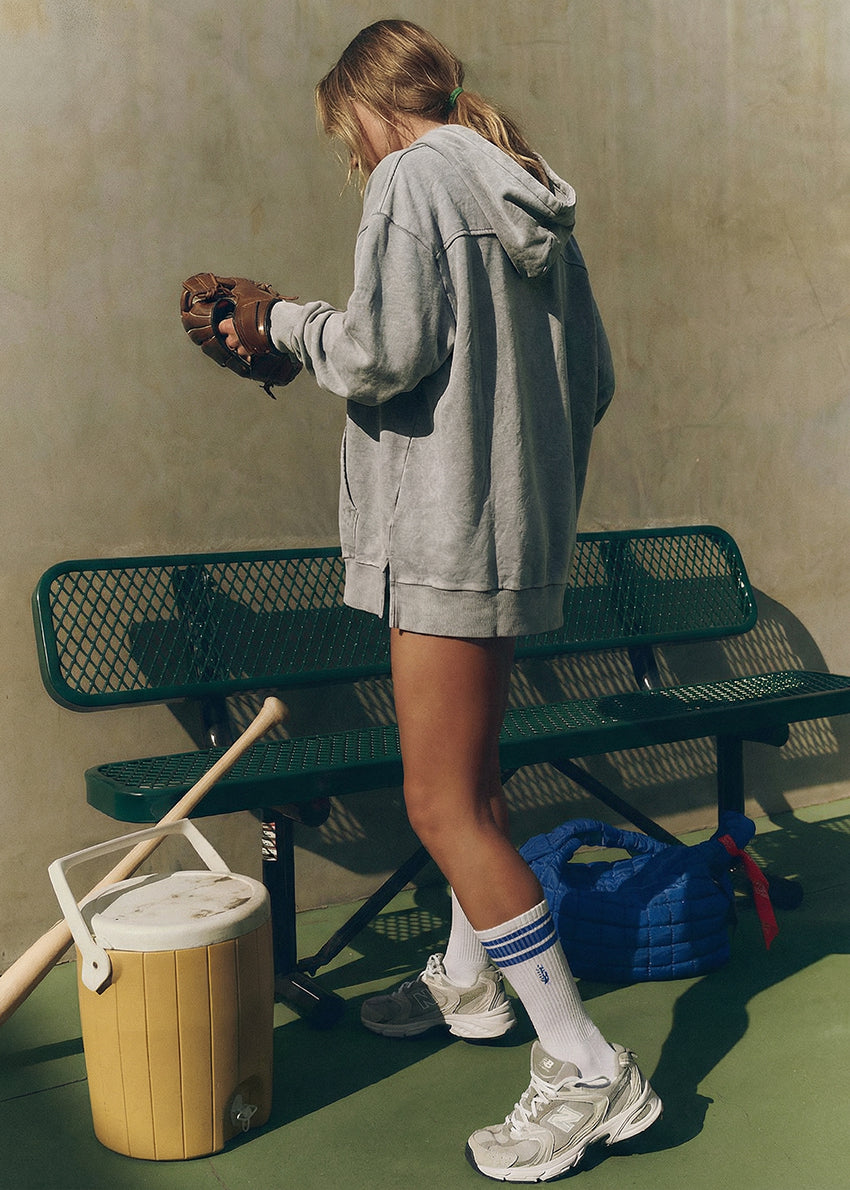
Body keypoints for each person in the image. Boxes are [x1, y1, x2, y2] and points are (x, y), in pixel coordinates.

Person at [219, 18, 661, 1182]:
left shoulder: (414, 176)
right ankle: (472, 978)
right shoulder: (522, 189)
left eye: (343, 133)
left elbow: (380, 353)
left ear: (368, 108)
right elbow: (596, 377)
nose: (350, 155)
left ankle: (584, 1066)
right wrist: (522, 471)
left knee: (436, 803)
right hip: (511, 538)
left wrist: (279, 322)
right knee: (473, 778)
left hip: (443, 538)